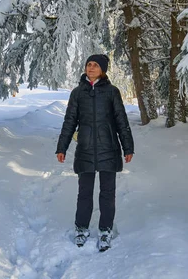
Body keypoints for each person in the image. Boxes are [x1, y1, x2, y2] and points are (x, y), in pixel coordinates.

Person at [56, 54, 134, 252]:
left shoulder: (112, 92)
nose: (90, 68)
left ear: (103, 70)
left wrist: (128, 147)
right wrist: (62, 147)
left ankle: (105, 230)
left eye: (95, 65)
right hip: (86, 149)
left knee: (107, 193)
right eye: (88, 65)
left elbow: (121, 121)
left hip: (109, 148)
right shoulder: (77, 93)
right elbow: (69, 122)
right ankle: (81, 228)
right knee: (84, 193)